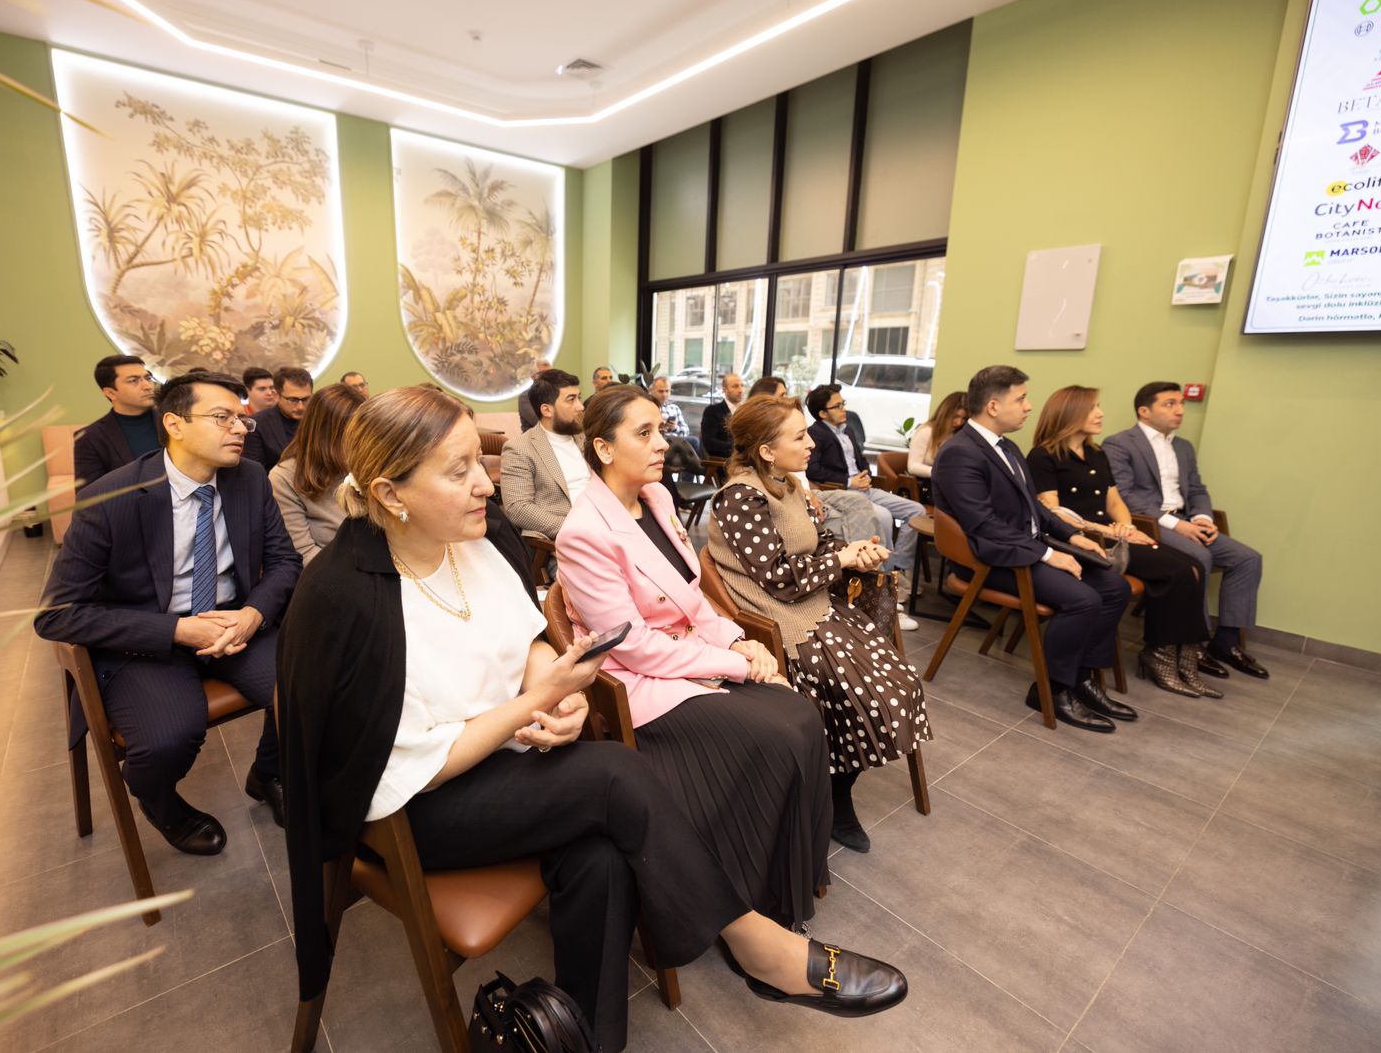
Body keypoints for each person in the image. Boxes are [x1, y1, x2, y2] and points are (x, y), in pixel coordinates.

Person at [276, 388, 908, 1053]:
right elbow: (403, 766)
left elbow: (528, 640)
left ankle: (594, 1040)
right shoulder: (345, 599)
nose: (484, 485)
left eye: (479, 464)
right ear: (388, 491)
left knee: (603, 857)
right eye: (456, 470)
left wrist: (557, 689)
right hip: (422, 804)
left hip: (510, 759)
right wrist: (531, 705)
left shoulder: (479, 542)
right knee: (612, 774)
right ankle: (755, 943)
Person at [556, 385, 834, 933]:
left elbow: (692, 599)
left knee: (802, 712)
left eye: (660, 429)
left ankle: (790, 875)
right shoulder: (583, 534)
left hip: (687, 652)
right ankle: (753, 901)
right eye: (645, 433)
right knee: (776, 733)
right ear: (604, 449)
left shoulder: (657, 500)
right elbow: (631, 644)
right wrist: (729, 664)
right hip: (639, 682)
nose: (664, 443)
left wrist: (738, 643)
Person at [36, 371, 301, 853]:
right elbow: (56, 614)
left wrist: (253, 615)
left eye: (242, 420)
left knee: (311, 688)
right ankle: (161, 803)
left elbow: (284, 561)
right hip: (147, 638)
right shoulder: (111, 497)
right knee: (167, 739)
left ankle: (269, 774)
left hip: (231, 623)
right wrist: (177, 630)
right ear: (175, 425)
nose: (241, 429)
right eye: (223, 418)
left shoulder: (249, 480)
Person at [707, 395, 932, 853]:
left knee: (899, 686)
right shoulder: (739, 499)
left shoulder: (787, 484)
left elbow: (820, 540)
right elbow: (780, 580)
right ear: (766, 450)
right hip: (774, 620)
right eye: (799, 436)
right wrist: (842, 560)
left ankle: (836, 788)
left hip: (816, 605)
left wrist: (856, 553)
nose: (811, 444)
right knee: (869, 696)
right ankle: (832, 794)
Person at [933, 365, 1134, 732]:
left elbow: (1035, 506)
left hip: (1025, 548)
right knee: (1083, 599)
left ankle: (1082, 679)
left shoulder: (1006, 446)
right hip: (989, 557)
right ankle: (1052, 689)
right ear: (993, 406)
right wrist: (1048, 554)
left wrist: (1071, 536)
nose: (1029, 407)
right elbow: (983, 524)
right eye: (1021, 398)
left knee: (1115, 588)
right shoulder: (960, 453)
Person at [1028, 387, 1220, 699]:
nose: (1101, 413)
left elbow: (1115, 501)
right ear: (1070, 412)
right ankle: (1159, 657)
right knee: (1177, 572)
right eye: (1093, 408)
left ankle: (1184, 659)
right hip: (1083, 541)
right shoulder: (1044, 456)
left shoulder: (1097, 453)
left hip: (1112, 536)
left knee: (1194, 565)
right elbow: (1053, 512)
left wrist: (1128, 528)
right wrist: (1109, 532)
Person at [1103, 383, 1269, 679]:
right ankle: (1195, 644)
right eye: (1169, 404)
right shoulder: (1119, 443)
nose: (1179, 410)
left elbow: (1196, 489)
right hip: (1150, 523)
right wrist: (1177, 524)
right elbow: (1126, 495)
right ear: (1145, 411)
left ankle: (1226, 642)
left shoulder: (1183, 447)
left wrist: (1204, 518)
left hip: (1189, 519)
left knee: (1248, 559)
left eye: (1180, 403)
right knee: (1199, 558)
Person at [805, 384, 925, 590]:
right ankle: (885, 578)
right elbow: (813, 470)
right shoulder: (816, 434)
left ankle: (898, 567)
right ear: (823, 413)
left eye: (843, 403)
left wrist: (865, 475)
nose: (844, 409)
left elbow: (860, 459)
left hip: (865, 488)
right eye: (837, 406)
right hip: (843, 490)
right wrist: (849, 481)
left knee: (916, 511)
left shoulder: (848, 429)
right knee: (885, 516)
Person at [748, 376, 882, 552]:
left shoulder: (787, 472)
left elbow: (799, 478)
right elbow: (776, 571)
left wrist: (807, 492)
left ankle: (875, 568)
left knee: (859, 502)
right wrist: (846, 557)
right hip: (809, 490)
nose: (811, 444)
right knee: (874, 516)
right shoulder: (746, 497)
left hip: (807, 488)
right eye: (799, 437)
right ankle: (864, 571)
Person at [269, 383, 362, 566]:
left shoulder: (363, 464)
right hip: (330, 576)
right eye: (354, 435)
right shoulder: (285, 477)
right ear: (326, 436)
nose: (362, 442)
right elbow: (303, 553)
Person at [500, 369, 587, 538]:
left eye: (579, 397)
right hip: (566, 537)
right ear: (547, 410)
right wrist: (575, 529)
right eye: (571, 400)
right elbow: (518, 508)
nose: (580, 406)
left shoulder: (585, 438)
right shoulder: (519, 449)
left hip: (607, 525)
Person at [73, 355, 159, 488]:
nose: (147, 386)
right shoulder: (90, 438)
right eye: (133, 381)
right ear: (110, 393)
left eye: (148, 378)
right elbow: (88, 496)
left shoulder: (174, 419)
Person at [243, 365, 312, 471]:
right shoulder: (258, 424)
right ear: (276, 395)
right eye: (293, 400)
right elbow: (254, 472)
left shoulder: (320, 420)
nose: (300, 406)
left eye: (306, 399)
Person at [646, 376, 705, 474]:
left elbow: (685, 430)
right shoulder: (647, 408)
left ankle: (689, 479)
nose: (664, 395)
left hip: (676, 442)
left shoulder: (674, 408)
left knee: (693, 441)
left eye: (667, 391)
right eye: (661, 391)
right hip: (658, 441)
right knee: (692, 442)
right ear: (651, 391)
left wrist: (675, 427)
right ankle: (700, 469)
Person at [906, 391, 967, 479]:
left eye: (963, 418)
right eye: (955, 416)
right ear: (945, 413)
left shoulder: (956, 435)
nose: (959, 422)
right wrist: (943, 473)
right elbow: (913, 467)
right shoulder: (926, 431)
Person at [700, 372, 744, 459]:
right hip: (723, 461)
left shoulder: (746, 411)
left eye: (742, 385)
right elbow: (709, 442)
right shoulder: (713, 411)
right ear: (724, 390)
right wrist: (738, 448)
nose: (740, 390)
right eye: (735, 386)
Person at [517, 357, 555, 431]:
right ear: (533, 376)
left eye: (550, 373)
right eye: (543, 373)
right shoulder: (525, 397)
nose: (548, 376)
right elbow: (538, 422)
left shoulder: (557, 393)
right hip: (533, 439)